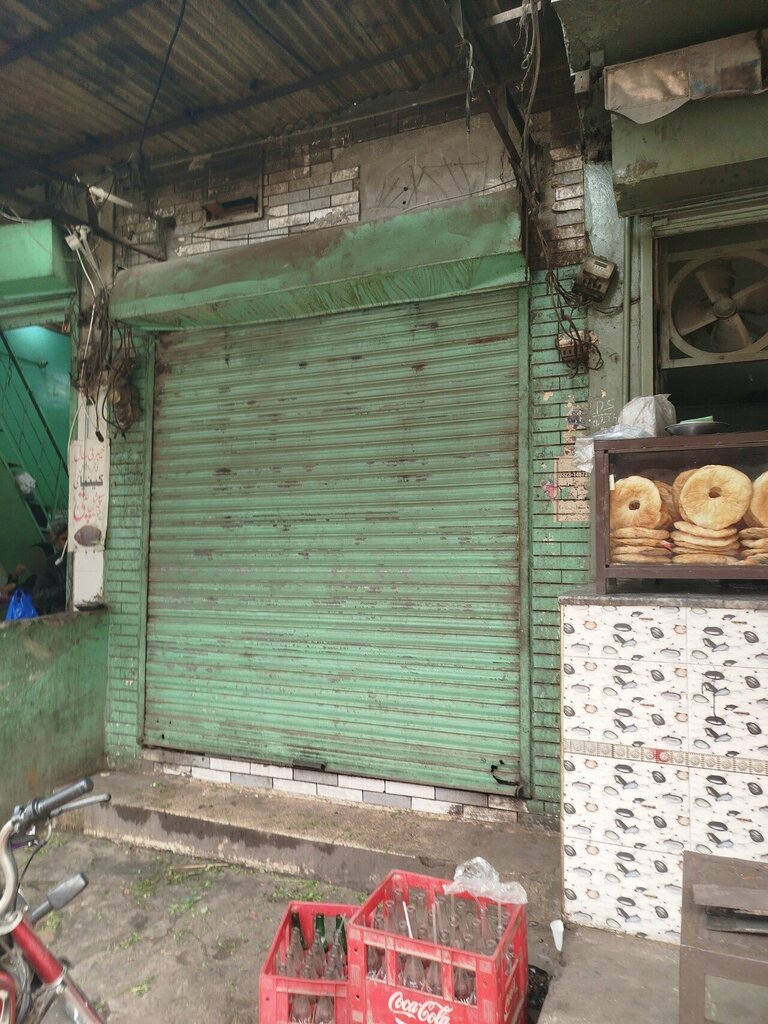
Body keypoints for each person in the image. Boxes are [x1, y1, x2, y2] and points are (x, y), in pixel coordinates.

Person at [30, 519, 68, 615]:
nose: (68, 543)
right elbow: (38, 595)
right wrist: (65, 589)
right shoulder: (50, 564)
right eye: (64, 539)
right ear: (56, 541)